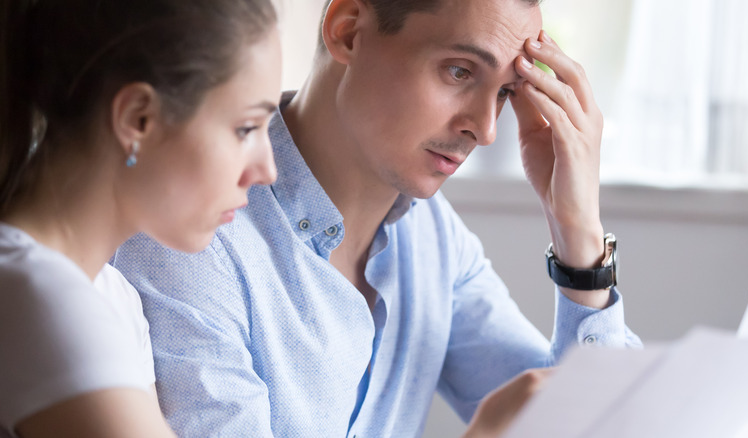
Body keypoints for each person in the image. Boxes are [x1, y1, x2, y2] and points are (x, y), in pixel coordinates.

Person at [114, 0, 642, 436]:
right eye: (459, 71)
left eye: (504, 92)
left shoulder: (433, 238)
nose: (485, 130)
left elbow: (601, 427)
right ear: (348, 31)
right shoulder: (189, 230)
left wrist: (578, 233)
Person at [0, 0, 280, 436]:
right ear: (138, 119)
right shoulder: (35, 293)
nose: (267, 170)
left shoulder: (114, 298)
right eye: (246, 128)